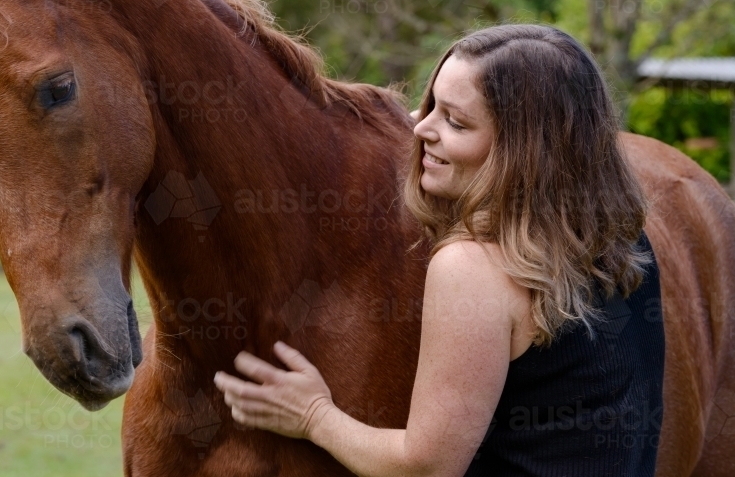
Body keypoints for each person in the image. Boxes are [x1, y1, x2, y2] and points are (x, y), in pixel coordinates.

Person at [213, 24, 665, 476]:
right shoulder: (619, 238)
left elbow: (427, 467)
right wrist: (451, 131)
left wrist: (314, 415)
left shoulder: (474, 268)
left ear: (523, 151)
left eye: (456, 120)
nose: (419, 128)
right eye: (431, 106)